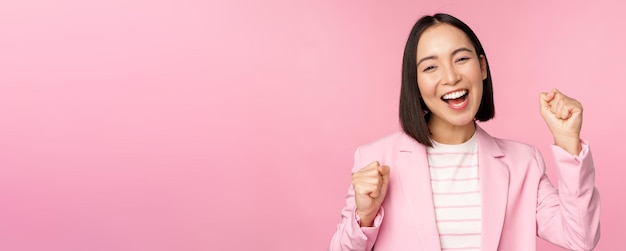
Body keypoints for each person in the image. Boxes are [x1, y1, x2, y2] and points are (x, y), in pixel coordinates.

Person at [329, 13, 600, 251]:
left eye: (460, 59)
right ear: (415, 82)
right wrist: (364, 217)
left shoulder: (523, 163)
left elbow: (581, 238)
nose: (450, 77)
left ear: (482, 67)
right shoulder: (376, 159)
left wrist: (567, 142)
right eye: (431, 67)